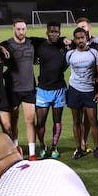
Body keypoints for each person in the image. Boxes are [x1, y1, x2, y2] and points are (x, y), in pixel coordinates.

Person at [0, 18, 44, 160]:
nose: (21, 32)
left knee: (30, 120)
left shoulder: (32, 42)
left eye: (23, 29)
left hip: (29, 88)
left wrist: (63, 40)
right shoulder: (6, 44)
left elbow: (50, 41)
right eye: (18, 29)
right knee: (13, 121)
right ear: (14, 29)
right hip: (12, 88)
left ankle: (31, 154)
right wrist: (0, 47)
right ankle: (15, 149)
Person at [66, 28, 98, 161]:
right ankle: (78, 149)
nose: (80, 40)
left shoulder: (94, 53)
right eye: (77, 38)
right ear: (74, 39)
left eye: (82, 37)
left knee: (93, 121)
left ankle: (96, 149)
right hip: (74, 90)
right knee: (76, 121)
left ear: (86, 38)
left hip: (89, 91)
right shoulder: (70, 54)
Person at [34, 22, 68, 159]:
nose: (54, 34)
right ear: (47, 32)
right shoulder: (40, 45)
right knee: (40, 122)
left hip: (59, 89)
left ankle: (54, 146)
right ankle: (42, 145)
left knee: (57, 121)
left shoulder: (63, 46)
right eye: (51, 31)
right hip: (43, 89)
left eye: (56, 32)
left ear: (59, 33)